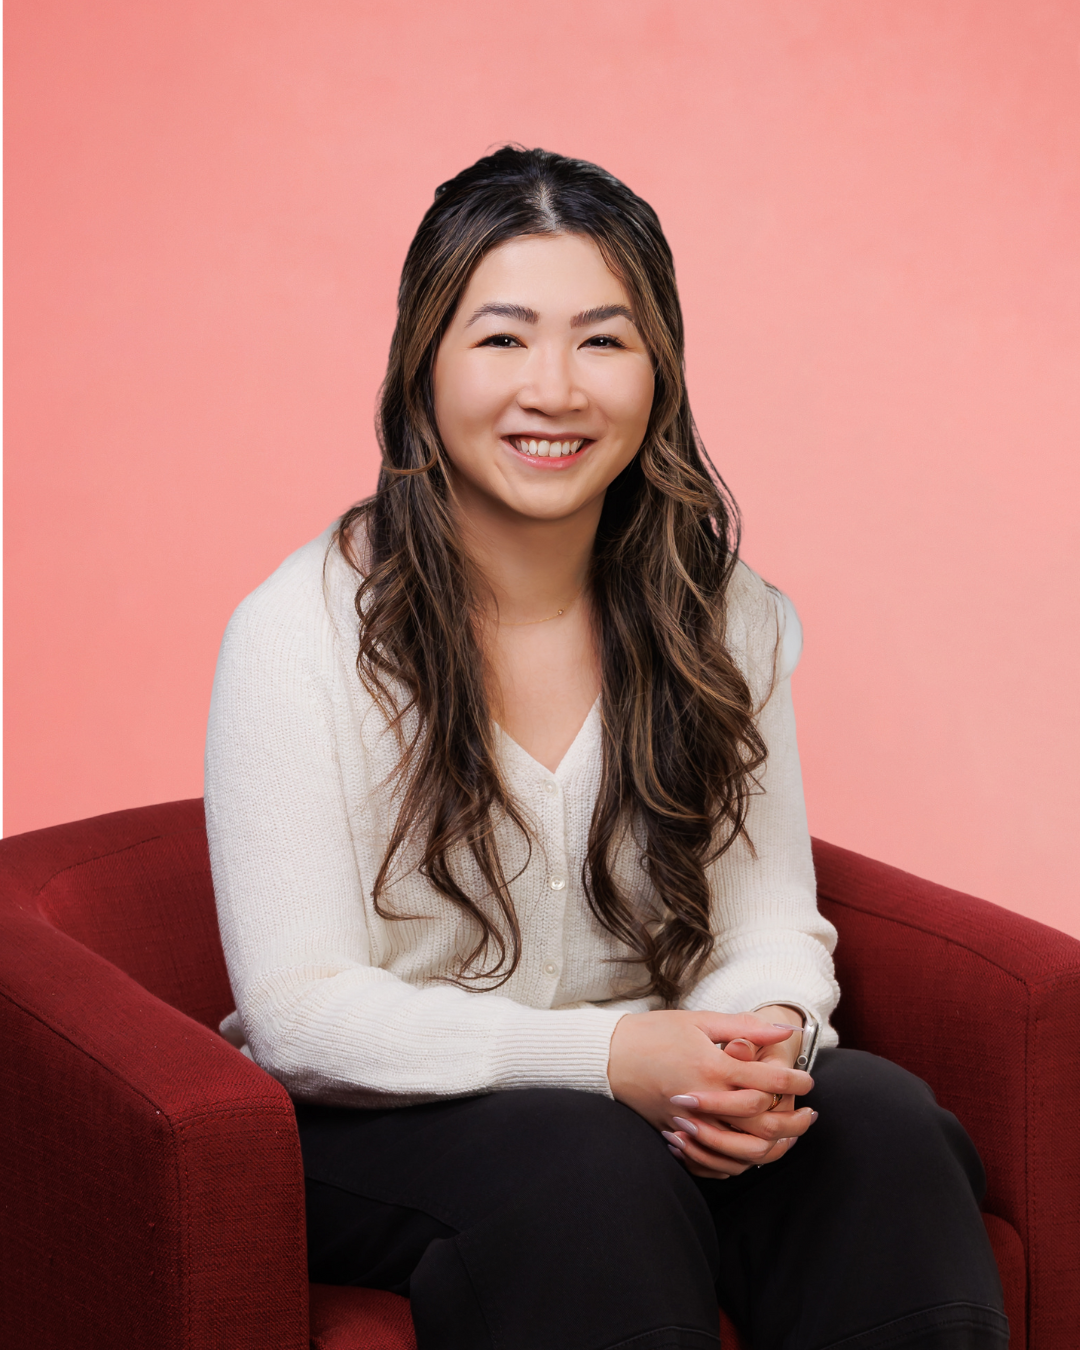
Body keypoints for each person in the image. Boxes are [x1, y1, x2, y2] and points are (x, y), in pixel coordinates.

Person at [205, 147, 1008, 1350]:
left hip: (653, 1075)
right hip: (383, 1110)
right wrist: (611, 1056)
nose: (555, 389)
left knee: (881, 1127)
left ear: (658, 369)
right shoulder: (297, 632)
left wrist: (753, 1049)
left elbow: (765, 922)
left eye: (602, 340)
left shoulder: (722, 613)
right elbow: (300, 1013)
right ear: (423, 364)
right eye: (502, 338)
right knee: (588, 1173)